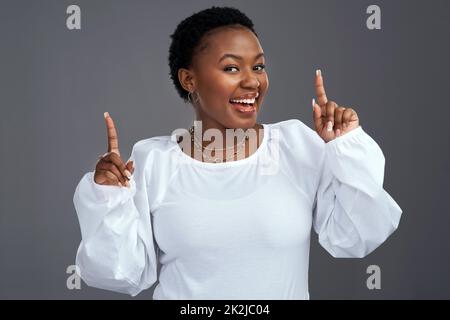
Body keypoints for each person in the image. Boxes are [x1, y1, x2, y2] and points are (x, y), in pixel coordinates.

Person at [73, 6, 403, 299]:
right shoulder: (152, 161)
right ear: (189, 79)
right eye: (232, 68)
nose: (252, 82)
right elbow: (120, 272)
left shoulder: (297, 146)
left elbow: (358, 236)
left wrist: (346, 149)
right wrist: (108, 199)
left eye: (258, 67)